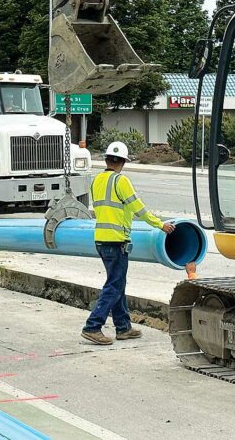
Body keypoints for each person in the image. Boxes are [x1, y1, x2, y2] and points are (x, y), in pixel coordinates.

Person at [82, 141, 176, 345]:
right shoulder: (120, 181)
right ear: (123, 161)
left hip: (101, 239)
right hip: (116, 241)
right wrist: (160, 225)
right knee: (114, 286)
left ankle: (123, 327)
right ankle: (93, 326)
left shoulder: (96, 180)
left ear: (107, 159)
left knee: (118, 284)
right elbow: (138, 208)